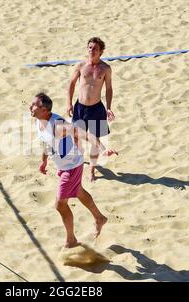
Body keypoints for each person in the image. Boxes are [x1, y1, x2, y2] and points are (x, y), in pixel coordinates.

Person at [30, 92, 118, 248]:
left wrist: (103, 148)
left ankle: (71, 240)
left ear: (44, 109)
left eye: (34, 105)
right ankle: (99, 218)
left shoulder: (58, 125)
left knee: (60, 204)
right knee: (78, 192)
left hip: (71, 167)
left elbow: (83, 134)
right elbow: (46, 143)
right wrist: (43, 162)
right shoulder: (39, 121)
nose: (31, 107)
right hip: (63, 166)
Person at [67, 37, 114, 182]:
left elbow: (109, 88)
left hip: (96, 109)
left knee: (95, 141)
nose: (91, 50)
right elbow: (72, 84)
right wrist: (69, 103)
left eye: (95, 48)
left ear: (100, 52)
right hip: (80, 107)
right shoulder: (81, 66)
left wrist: (109, 107)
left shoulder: (105, 68)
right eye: (90, 47)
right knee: (76, 137)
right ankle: (74, 166)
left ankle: (92, 171)